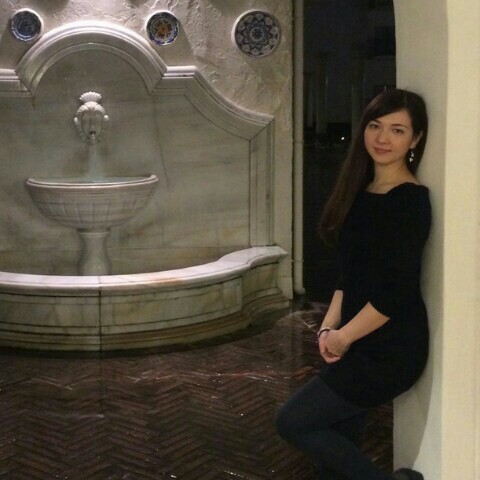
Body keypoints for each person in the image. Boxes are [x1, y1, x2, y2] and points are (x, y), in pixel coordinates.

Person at [276, 89, 431, 480]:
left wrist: (344, 338)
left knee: (293, 422)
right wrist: (329, 327)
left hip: (391, 348)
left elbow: (395, 292)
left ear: (415, 139)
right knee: (335, 460)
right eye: (375, 125)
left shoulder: (410, 201)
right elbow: (349, 274)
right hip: (356, 336)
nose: (382, 138)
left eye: (397, 130)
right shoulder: (361, 193)